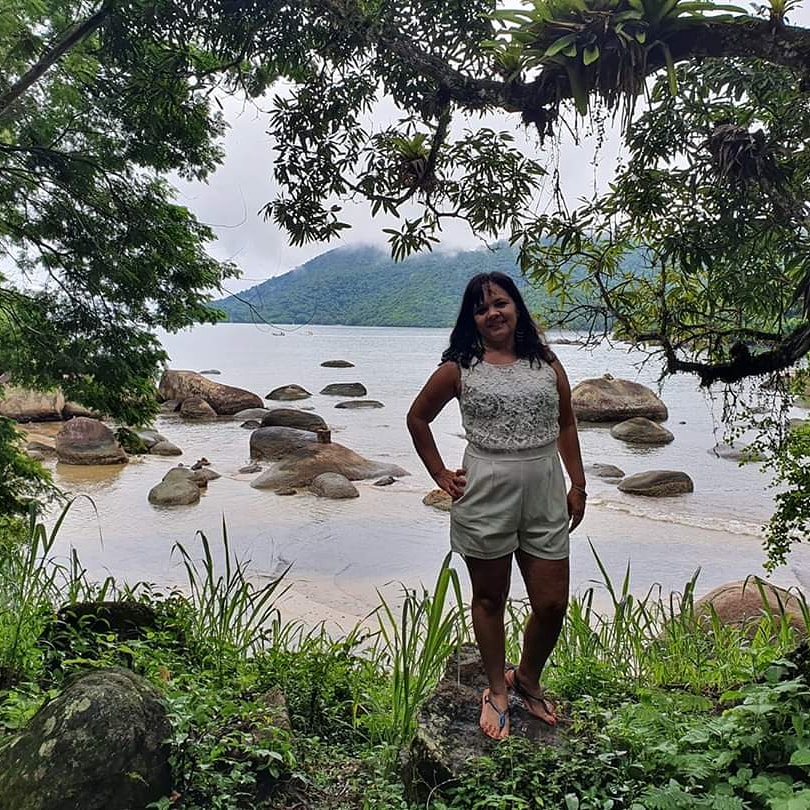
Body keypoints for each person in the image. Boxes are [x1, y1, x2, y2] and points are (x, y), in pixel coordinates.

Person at [406, 271, 586, 740]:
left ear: (516, 307)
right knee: (490, 598)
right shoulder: (459, 368)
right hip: (486, 490)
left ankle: (527, 677)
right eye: (482, 308)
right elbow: (418, 418)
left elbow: (566, 423)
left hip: (545, 486)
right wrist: (440, 474)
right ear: (472, 319)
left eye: (500, 303)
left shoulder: (546, 362)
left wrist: (578, 484)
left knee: (552, 603)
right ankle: (496, 690)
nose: (493, 313)